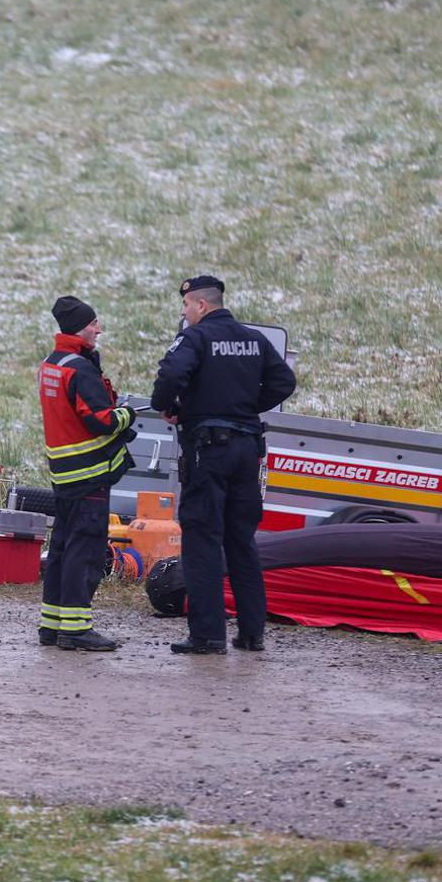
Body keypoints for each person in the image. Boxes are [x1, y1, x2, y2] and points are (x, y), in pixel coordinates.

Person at [151, 275, 297, 655]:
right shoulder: (253, 339)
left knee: (202, 541)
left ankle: (208, 635)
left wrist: (173, 407)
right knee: (241, 542)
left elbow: (169, 376)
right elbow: (284, 381)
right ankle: (252, 633)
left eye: (186, 306)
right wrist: (244, 406)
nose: (184, 313)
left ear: (200, 305)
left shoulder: (196, 338)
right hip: (247, 450)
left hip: (208, 451)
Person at [37, 296, 137, 651]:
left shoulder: (52, 364)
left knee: (62, 548)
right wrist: (126, 415)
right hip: (90, 475)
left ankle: (51, 625)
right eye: (95, 323)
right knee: (86, 552)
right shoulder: (80, 368)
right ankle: (77, 629)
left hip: (63, 476)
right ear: (81, 326)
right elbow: (102, 420)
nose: (99, 329)